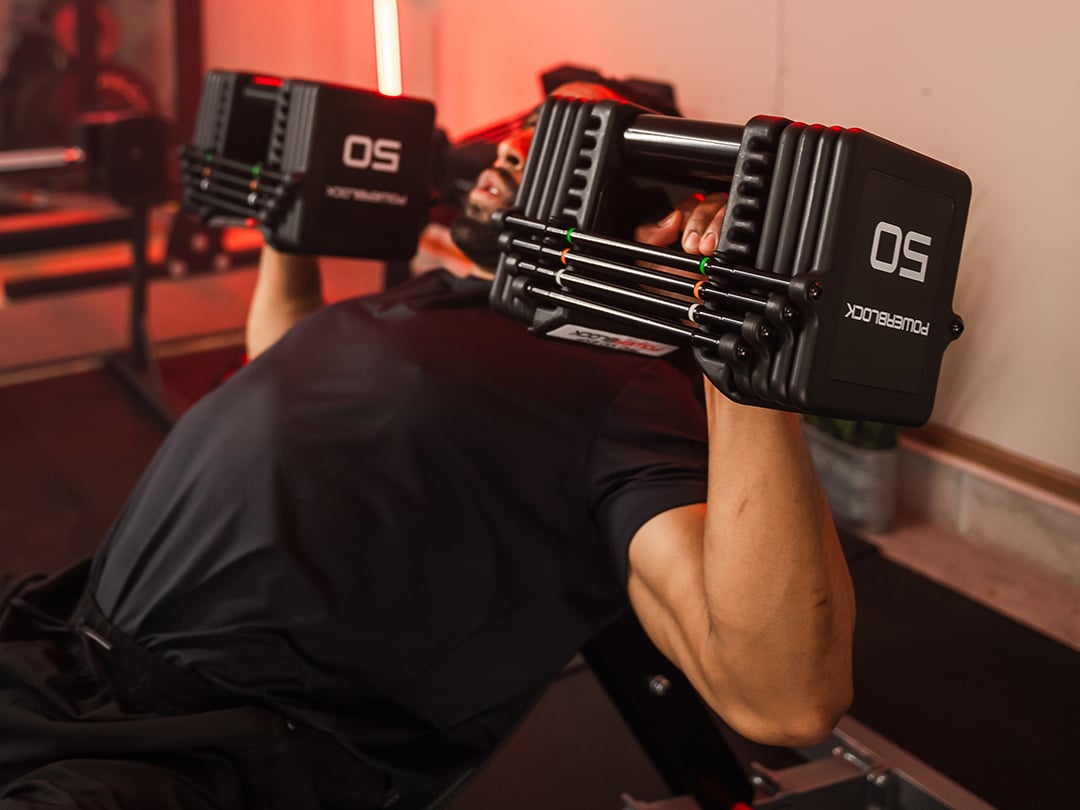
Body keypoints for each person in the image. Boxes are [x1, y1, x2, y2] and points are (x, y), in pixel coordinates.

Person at [0, 82, 855, 809]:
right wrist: (288, 236)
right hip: (51, 640)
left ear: (655, 222)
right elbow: (280, 376)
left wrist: (736, 341)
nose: (509, 150)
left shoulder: (625, 391)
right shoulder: (432, 297)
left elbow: (784, 701)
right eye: (522, 131)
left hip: (194, 757)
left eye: (553, 147)